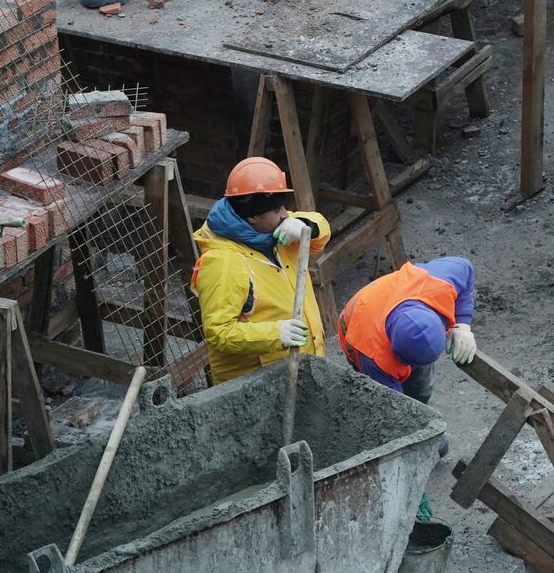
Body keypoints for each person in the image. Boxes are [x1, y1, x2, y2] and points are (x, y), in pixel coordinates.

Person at [192, 157, 329, 383]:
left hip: (297, 370)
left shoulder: (272, 231)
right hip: (257, 387)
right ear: (253, 216)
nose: (286, 215)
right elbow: (219, 334)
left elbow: (320, 234)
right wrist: (276, 334)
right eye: (278, 210)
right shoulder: (223, 263)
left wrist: (307, 225)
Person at [337, 257, 478, 456]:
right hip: (357, 324)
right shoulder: (373, 357)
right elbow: (395, 407)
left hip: (388, 299)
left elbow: (466, 267)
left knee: (421, 384)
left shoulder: (437, 281)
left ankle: (421, 411)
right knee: (384, 406)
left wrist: (462, 324)